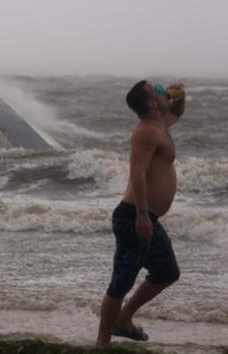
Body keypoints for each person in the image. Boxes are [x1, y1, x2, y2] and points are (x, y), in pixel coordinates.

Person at [96, 80, 186, 347]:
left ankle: (123, 320)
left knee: (167, 272)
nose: (161, 89)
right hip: (134, 217)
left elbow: (177, 112)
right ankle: (102, 343)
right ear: (152, 104)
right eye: (157, 89)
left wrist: (179, 95)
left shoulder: (160, 125)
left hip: (146, 217)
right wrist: (142, 216)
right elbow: (137, 173)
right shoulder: (145, 132)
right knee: (121, 281)